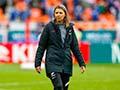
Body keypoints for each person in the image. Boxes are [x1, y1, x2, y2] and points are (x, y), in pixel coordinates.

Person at [35, 4, 86, 90]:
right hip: (52, 62)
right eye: (56, 13)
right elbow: (41, 46)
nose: (58, 14)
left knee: (64, 88)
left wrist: (82, 63)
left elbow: (75, 47)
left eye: (60, 13)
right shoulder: (48, 27)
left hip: (66, 62)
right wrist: (37, 63)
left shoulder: (70, 28)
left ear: (65, 14)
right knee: (58, 86)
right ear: (54, 14)